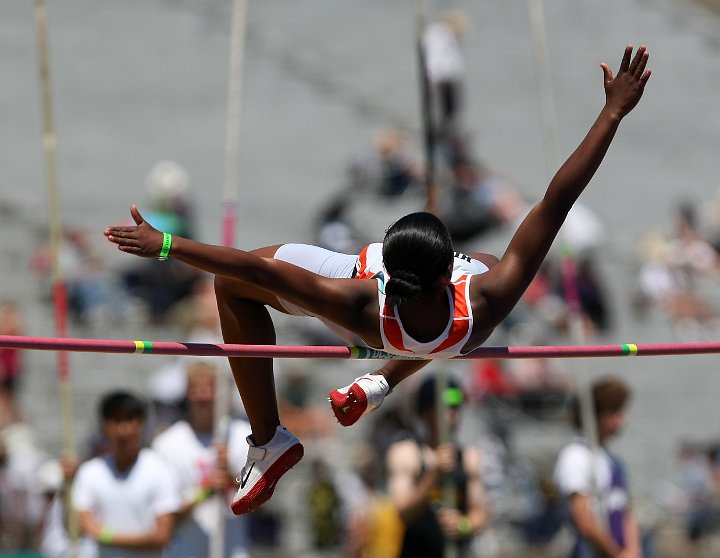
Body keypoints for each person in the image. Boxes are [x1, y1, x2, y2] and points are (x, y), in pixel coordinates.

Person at [104, 44, 651, 515]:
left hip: (369, 300)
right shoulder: (488, 298)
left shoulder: (361, 304)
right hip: (443, 323)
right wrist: (613, 113)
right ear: (449, 273)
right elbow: (558, 198)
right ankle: (381, 382)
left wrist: (169, 245)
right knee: (457, 317)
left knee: (231, 288)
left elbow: (251, 269)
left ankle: (270, 438)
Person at [151, 361, 252, 558]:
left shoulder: (245, 437)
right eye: (195, 389)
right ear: (186, 393)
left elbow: (261, 504)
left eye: (209, 388)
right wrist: (204, 493)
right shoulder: (166, 445)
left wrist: (233, 479)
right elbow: (165, 516)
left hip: (233, 550)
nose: (203, 395)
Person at [386, 374, 487, 557]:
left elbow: (479, 513)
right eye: (445, 408)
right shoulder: (406, 454)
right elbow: (403, 514)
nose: (453, 414)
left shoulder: (469, 457)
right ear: (425, 411)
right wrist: (434, 475)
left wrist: (463, 525)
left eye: (456, 407)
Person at [71, 391, 180, 557]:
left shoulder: (160, 470)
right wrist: (67, 482)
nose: (123, 430)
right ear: (105, 426)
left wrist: (107, 535)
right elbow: (77, 528)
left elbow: (161, 537)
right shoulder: (89, 472)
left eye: (129, 420)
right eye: (116, 421)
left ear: (141, 424)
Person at [553, 377, 642, 558]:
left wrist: (633, 551)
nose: (622, 418)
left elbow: (625, 511)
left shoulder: (612, 461)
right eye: (615, 411)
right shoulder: (576, 457)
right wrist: (616, 554)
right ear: (596, 415)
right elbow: (584, 521)